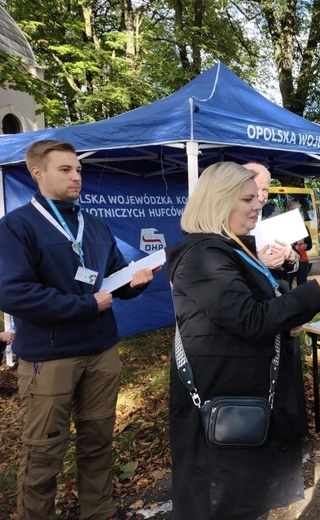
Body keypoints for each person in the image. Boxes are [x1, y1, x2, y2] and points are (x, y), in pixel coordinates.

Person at [166, 162, 320, 520]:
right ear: (218, 201)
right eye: (247, 198)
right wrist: (317, 290)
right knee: (222, 501)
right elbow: (251, 320)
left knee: (244, 497)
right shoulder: (204, 256)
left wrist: (287, 311)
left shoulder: (230, 247)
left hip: (240, 399)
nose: (258, 204)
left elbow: (257, 307)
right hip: (221, 406)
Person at [0, 140, 156, 520]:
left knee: (98, 441)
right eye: (65, 170)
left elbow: (112, 281)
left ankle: (98, 511)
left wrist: (136, 284)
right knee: (43, 452)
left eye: (79, 170)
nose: (76, 177)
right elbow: (12, 293)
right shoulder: (17, 226)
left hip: (101, 350)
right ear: (38, 173)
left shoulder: (95, 225)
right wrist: (86, 305)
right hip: (50, 358)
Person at [243, 162, 298, 273]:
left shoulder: (274, 212)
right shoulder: (226, 219)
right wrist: (258, 262)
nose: (261, 196)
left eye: (265, 190)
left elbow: (294, 258)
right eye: (255, 189)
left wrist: (292, 257)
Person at [286, 201, 313, 289]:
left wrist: (306, 245)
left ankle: (301, 302)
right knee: (287, 287)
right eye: (293, 210)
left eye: (298, 210)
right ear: (287, 211)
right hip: (288, 261)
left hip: (303, 260)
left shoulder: (303, 227)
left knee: (302, 287)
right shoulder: (283, 226)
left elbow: (309, 244)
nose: (295, 212)